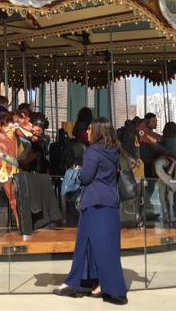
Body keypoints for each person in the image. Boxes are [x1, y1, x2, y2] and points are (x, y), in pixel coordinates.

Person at [53, 117, 128, 305]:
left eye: (89, 129)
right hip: (110, 202)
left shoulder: (93, 151)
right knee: (100, 244)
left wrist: (77, 170)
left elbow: (86, 178)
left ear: (97, 131)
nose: (87, 132)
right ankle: (89, 283)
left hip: (94, 202)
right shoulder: (113, 151)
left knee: (90, 244)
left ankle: (101, 286)